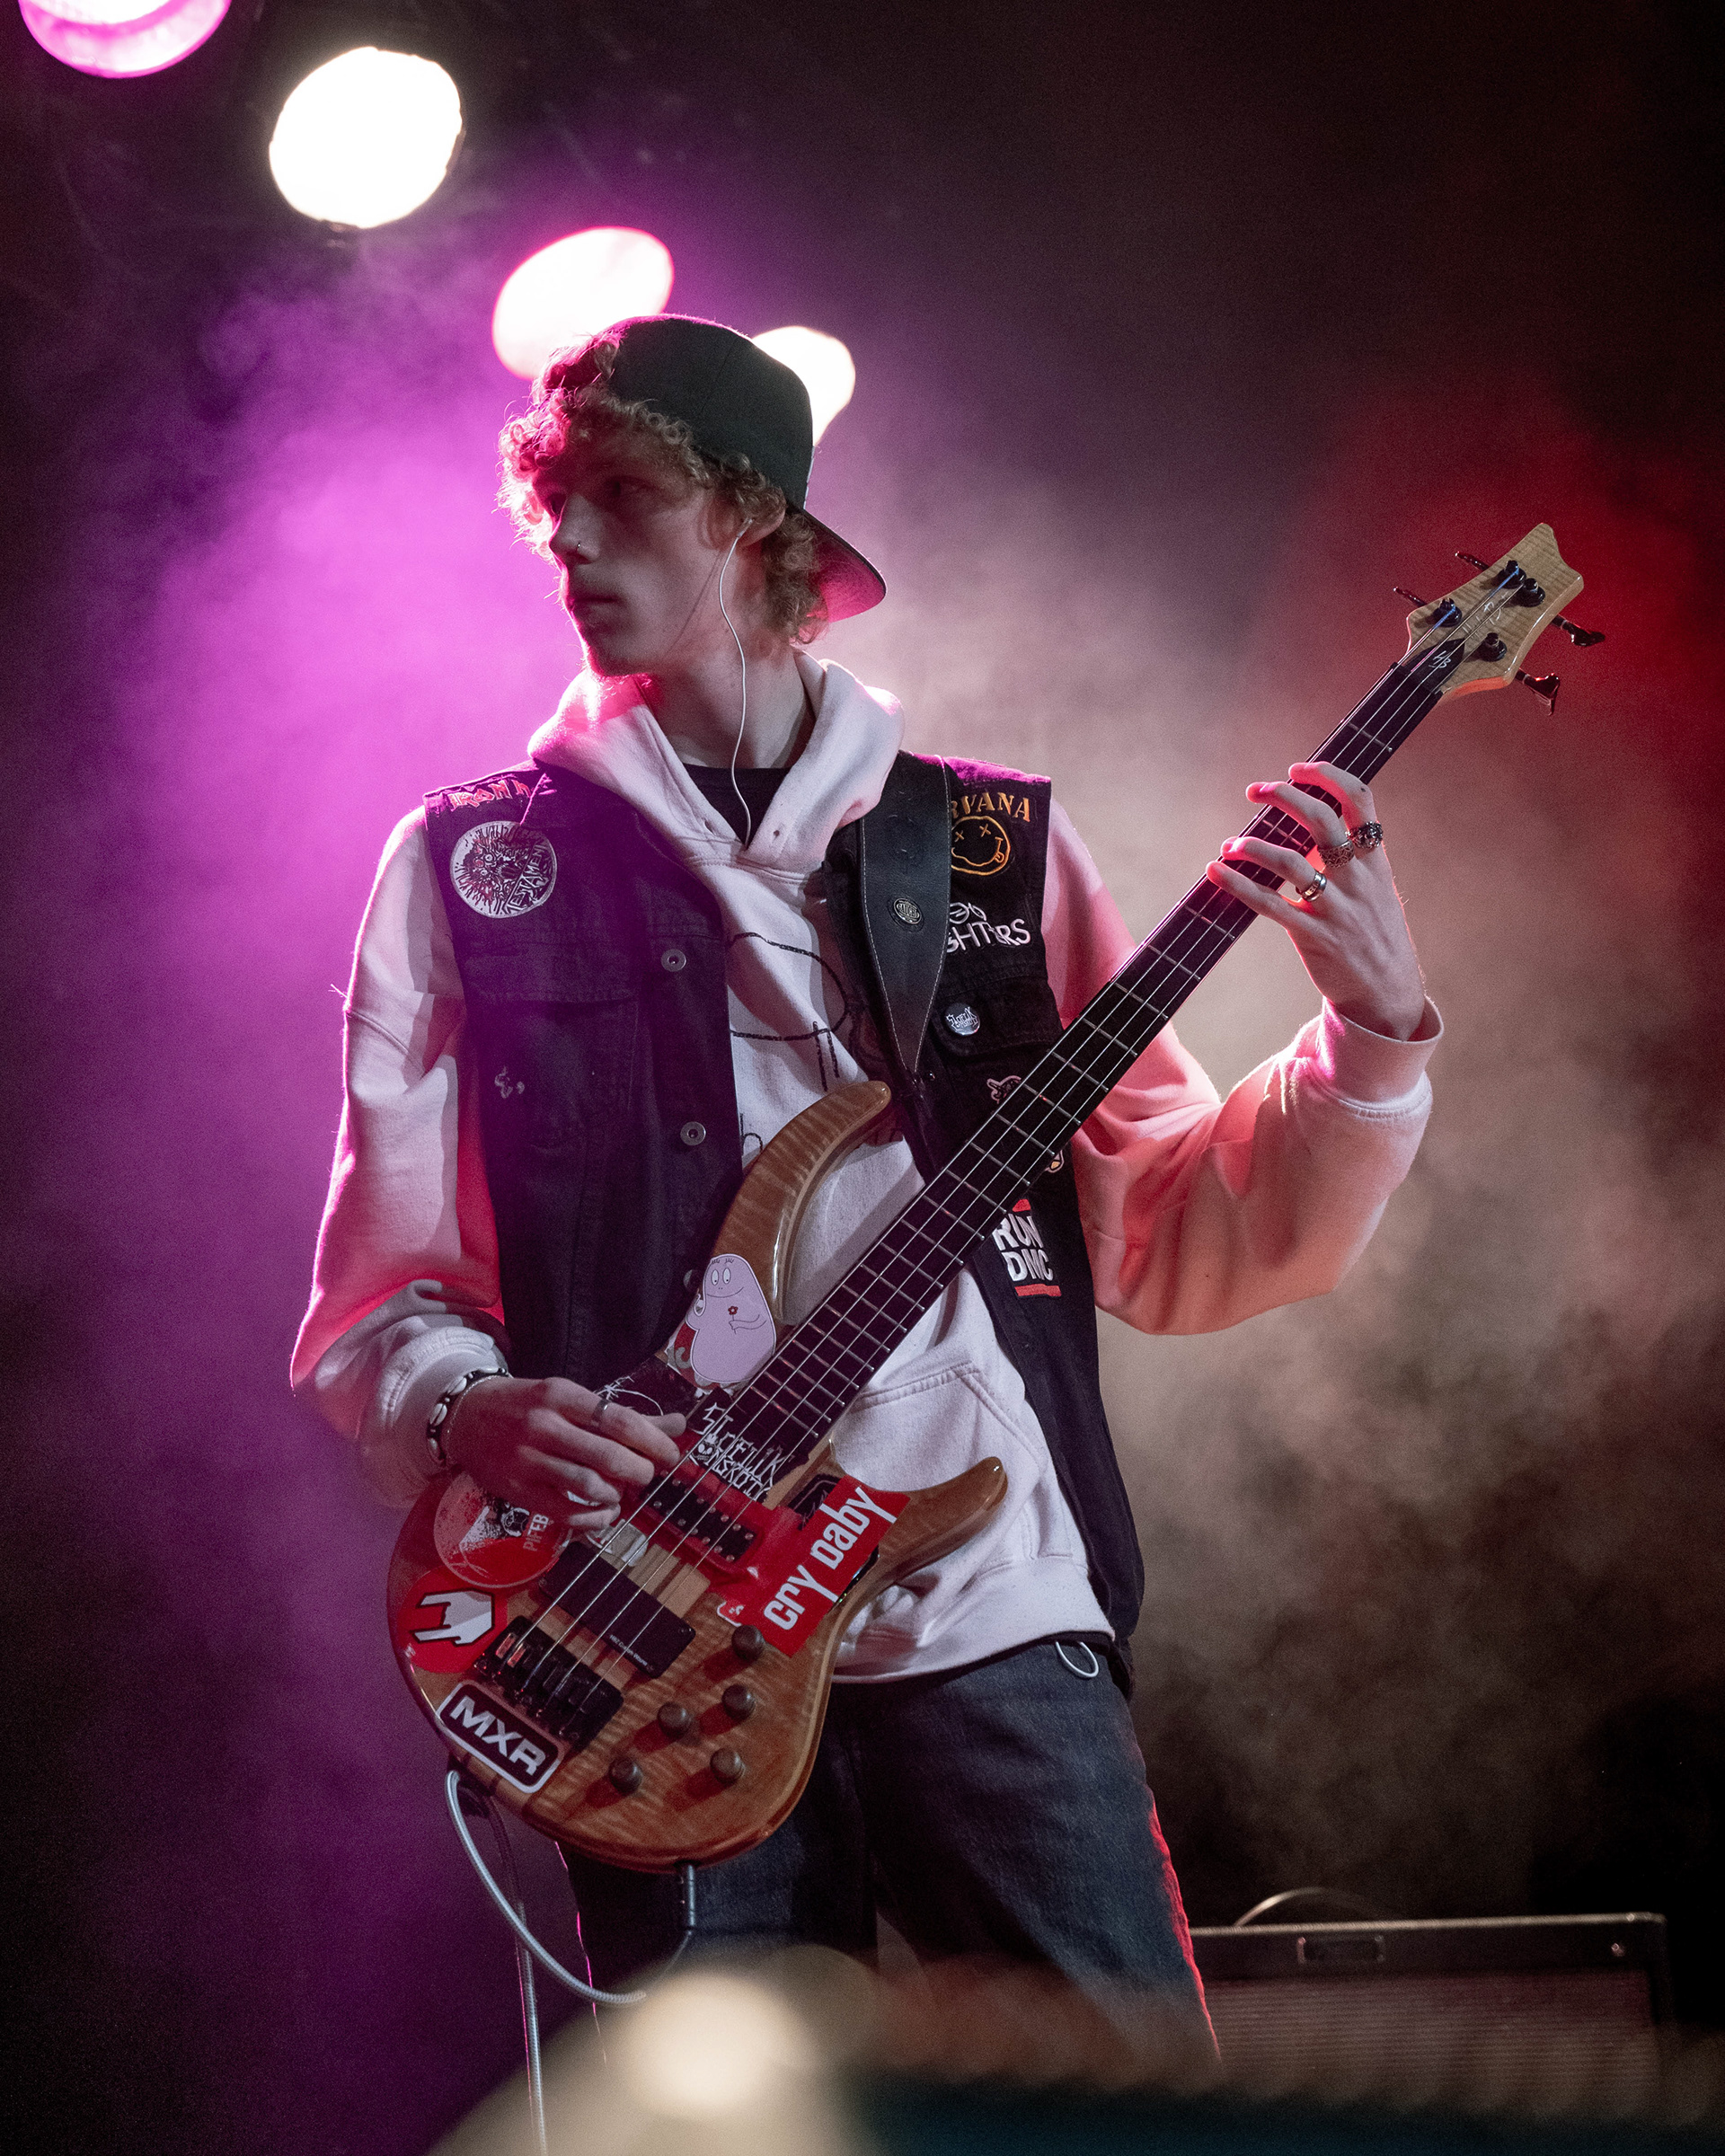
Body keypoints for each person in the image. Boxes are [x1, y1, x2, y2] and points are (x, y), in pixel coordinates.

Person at [292, 314, 1438, 2019]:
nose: (569, 542)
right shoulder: (473, 867)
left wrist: (1377, 1035)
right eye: (554, 503)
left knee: (1121, 2113)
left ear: (754, 517)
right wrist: (465, 1412)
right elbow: (384, 1297)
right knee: (733, 2121)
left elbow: (1173, 1227)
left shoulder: (988, 850)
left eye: (624, 496)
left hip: (981, 1583)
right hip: (656, 1609)